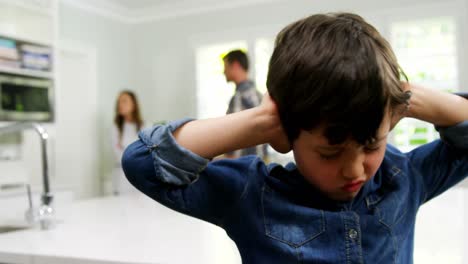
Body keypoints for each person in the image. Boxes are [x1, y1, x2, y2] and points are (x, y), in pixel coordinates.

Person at [121, 13, 468, 263]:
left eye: (371, 145)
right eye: (330, 153)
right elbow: (143, 163)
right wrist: (262, 120)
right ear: (285, 135)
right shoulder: (252, 195)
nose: (355, 171)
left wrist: (409, 97)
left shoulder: (403, 178)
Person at [222, 49, 268, 159]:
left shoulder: (240, 97)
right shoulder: (259, 96)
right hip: (258, 166)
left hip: (243, 168)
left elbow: (232, 138)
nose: (224, 71)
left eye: (225, 66)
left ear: (236, 65)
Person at [110, 90, 144, 195]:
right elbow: (119, 155)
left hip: (141, 178)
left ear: (134, 104)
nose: (120, 105)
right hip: (121, 180)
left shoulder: (145, 127)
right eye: (119, 102)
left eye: (124, 101)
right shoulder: (115, 129)